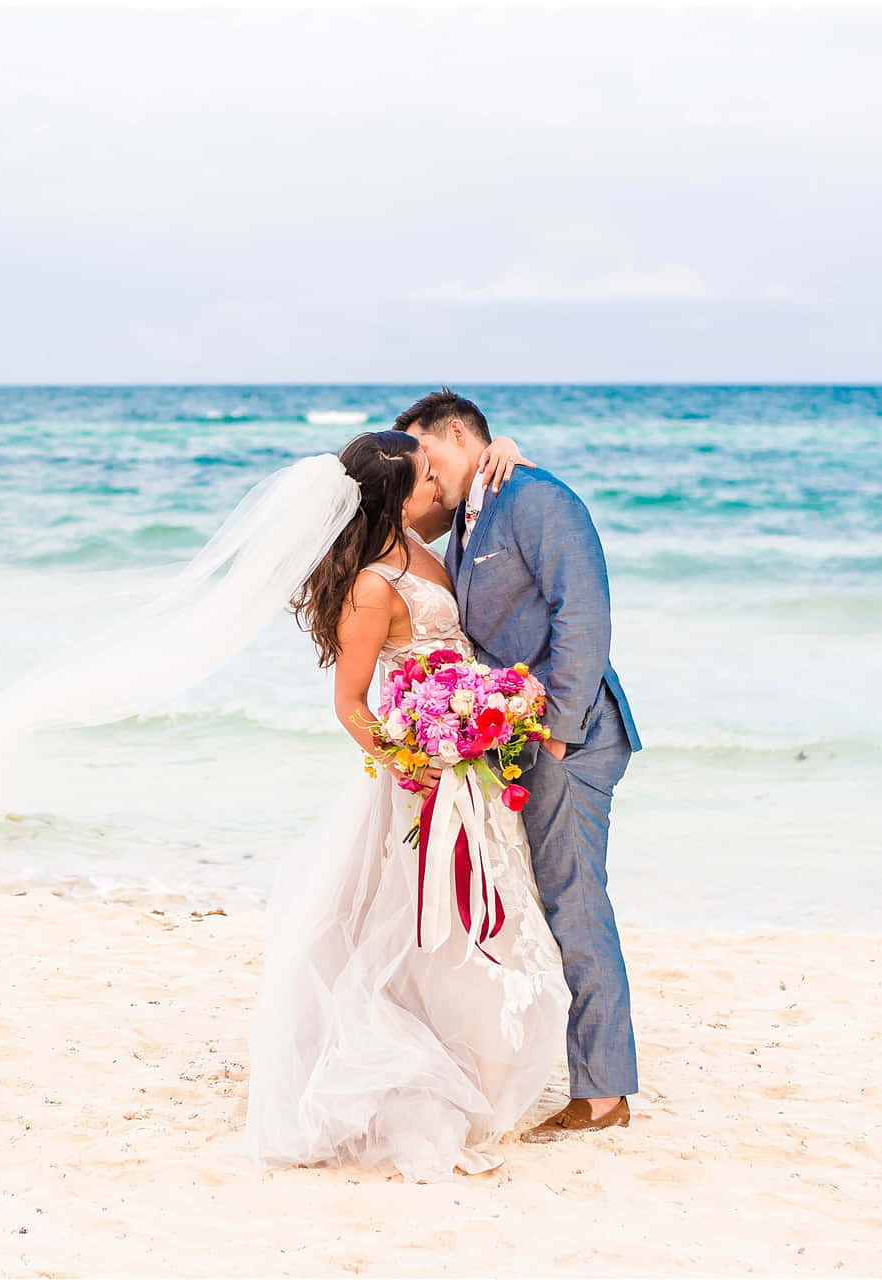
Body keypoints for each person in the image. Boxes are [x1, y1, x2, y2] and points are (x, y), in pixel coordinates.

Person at [242, 430, 570, 1182]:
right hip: (420, 778)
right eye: (426, 478)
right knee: (407, 923)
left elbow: (472, 505)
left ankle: (472, 1057)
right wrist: (415, 762)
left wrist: (506, 448)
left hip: (466, 769)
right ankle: (410, 1070)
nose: (438, 487)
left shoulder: (426, 546)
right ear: (395, 495)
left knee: (471, 921)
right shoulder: (369, 585)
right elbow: (351, 704)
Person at [401, 389, 644, 1141]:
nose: (426, 473)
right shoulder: (471, 522)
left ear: (456, 433)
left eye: (429, 455)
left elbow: (584, 612)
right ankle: (570, 1072)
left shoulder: (535, 498)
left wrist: (562, 733)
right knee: (544, 904)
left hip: (570, 738)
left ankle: (604, 1095)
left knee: (575, 902)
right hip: (517, 745)